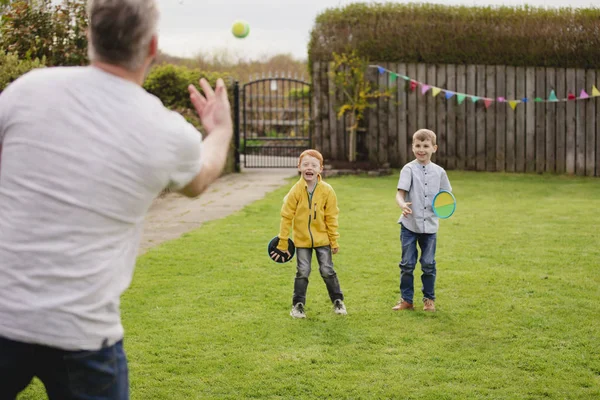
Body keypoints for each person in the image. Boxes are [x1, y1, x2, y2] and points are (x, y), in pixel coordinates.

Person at [0, 0, 232, 398]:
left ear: (90, 36)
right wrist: (221, 129)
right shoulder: (165, 131)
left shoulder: (28, 90)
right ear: (152, 46)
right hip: (84, 336)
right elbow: (200, 180)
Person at [270, 149, 347, 319]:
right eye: (305, 164)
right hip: (302, 241)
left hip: (323, 240)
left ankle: (338, 301)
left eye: (314, 165)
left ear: (321, 168)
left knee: (327, 270)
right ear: (299, 167)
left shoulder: (327, 191)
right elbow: (286, 216)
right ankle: (298, 305)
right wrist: (283, 241)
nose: (309, 168)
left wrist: (334, 241)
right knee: (303, 271)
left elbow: (331, 217)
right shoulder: (295, 191)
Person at [393, 129, 452, 312]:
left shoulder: (440, 172)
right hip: (409, 224)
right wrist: (403, 205)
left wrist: (444, 207)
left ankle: (429, 299)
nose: (421, 149)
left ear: (434, 148)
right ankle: (407, 300)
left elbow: (446, 197)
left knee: (428, 264)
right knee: (407, 264)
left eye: (425, 146)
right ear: (412, 147)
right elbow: (399, 194)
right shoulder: (408, 169)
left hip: (430, 227)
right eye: (417, 146)